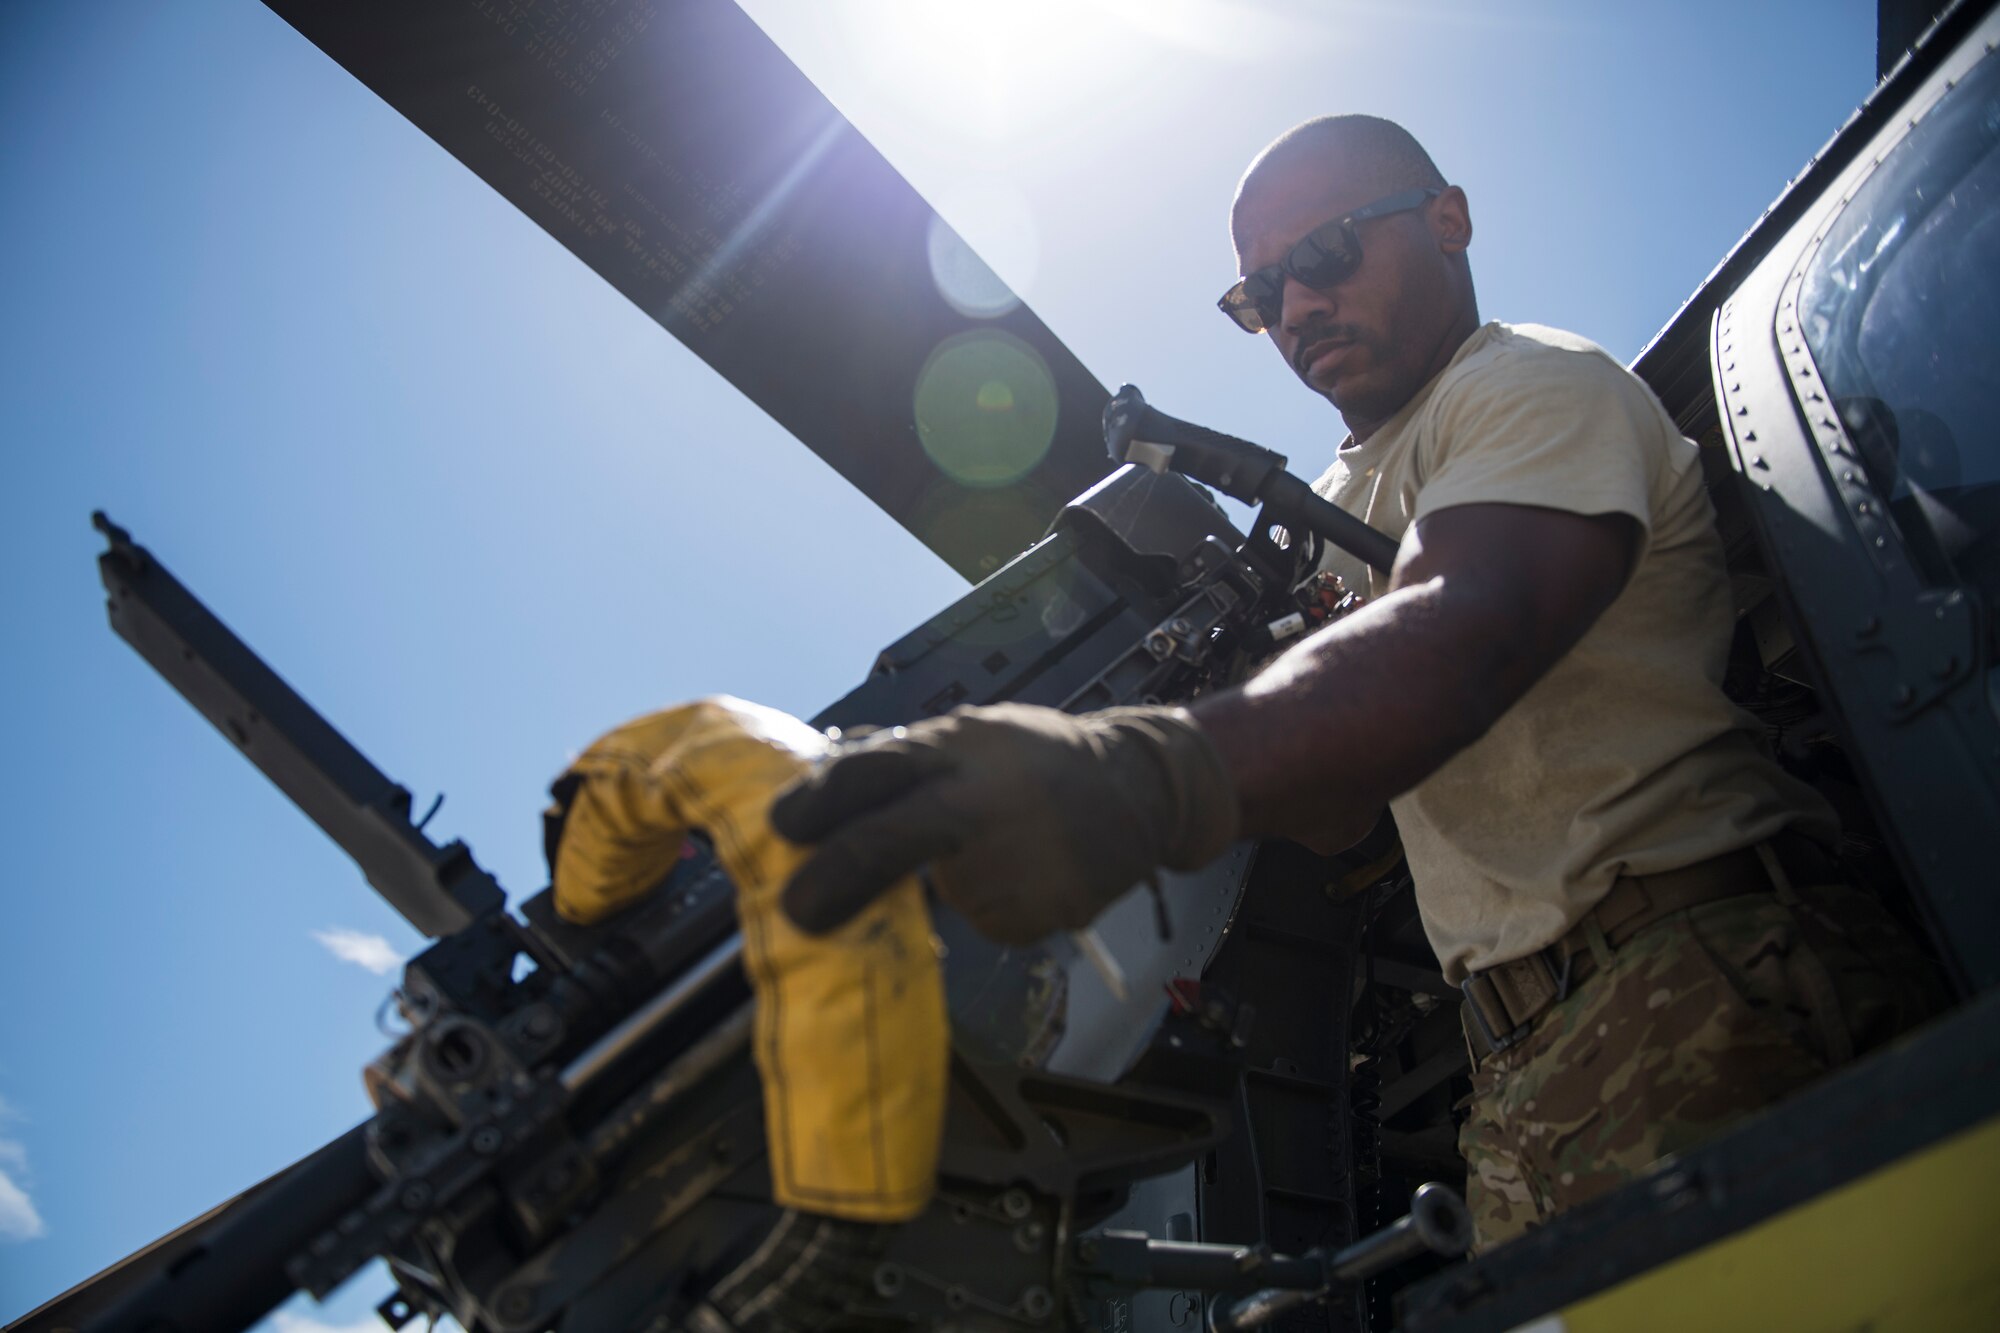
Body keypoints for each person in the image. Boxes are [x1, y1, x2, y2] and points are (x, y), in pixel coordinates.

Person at [759, 115, 1943, 1248]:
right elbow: (1337, 811)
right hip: (1520, 1062)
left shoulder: (1526, 384)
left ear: (1445, 220)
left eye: (1320, 255)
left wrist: (1130, 776)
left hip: (1692, 974)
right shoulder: (1338, 506)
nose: (1295, 307)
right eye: (1259, 293)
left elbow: (1464, 623)